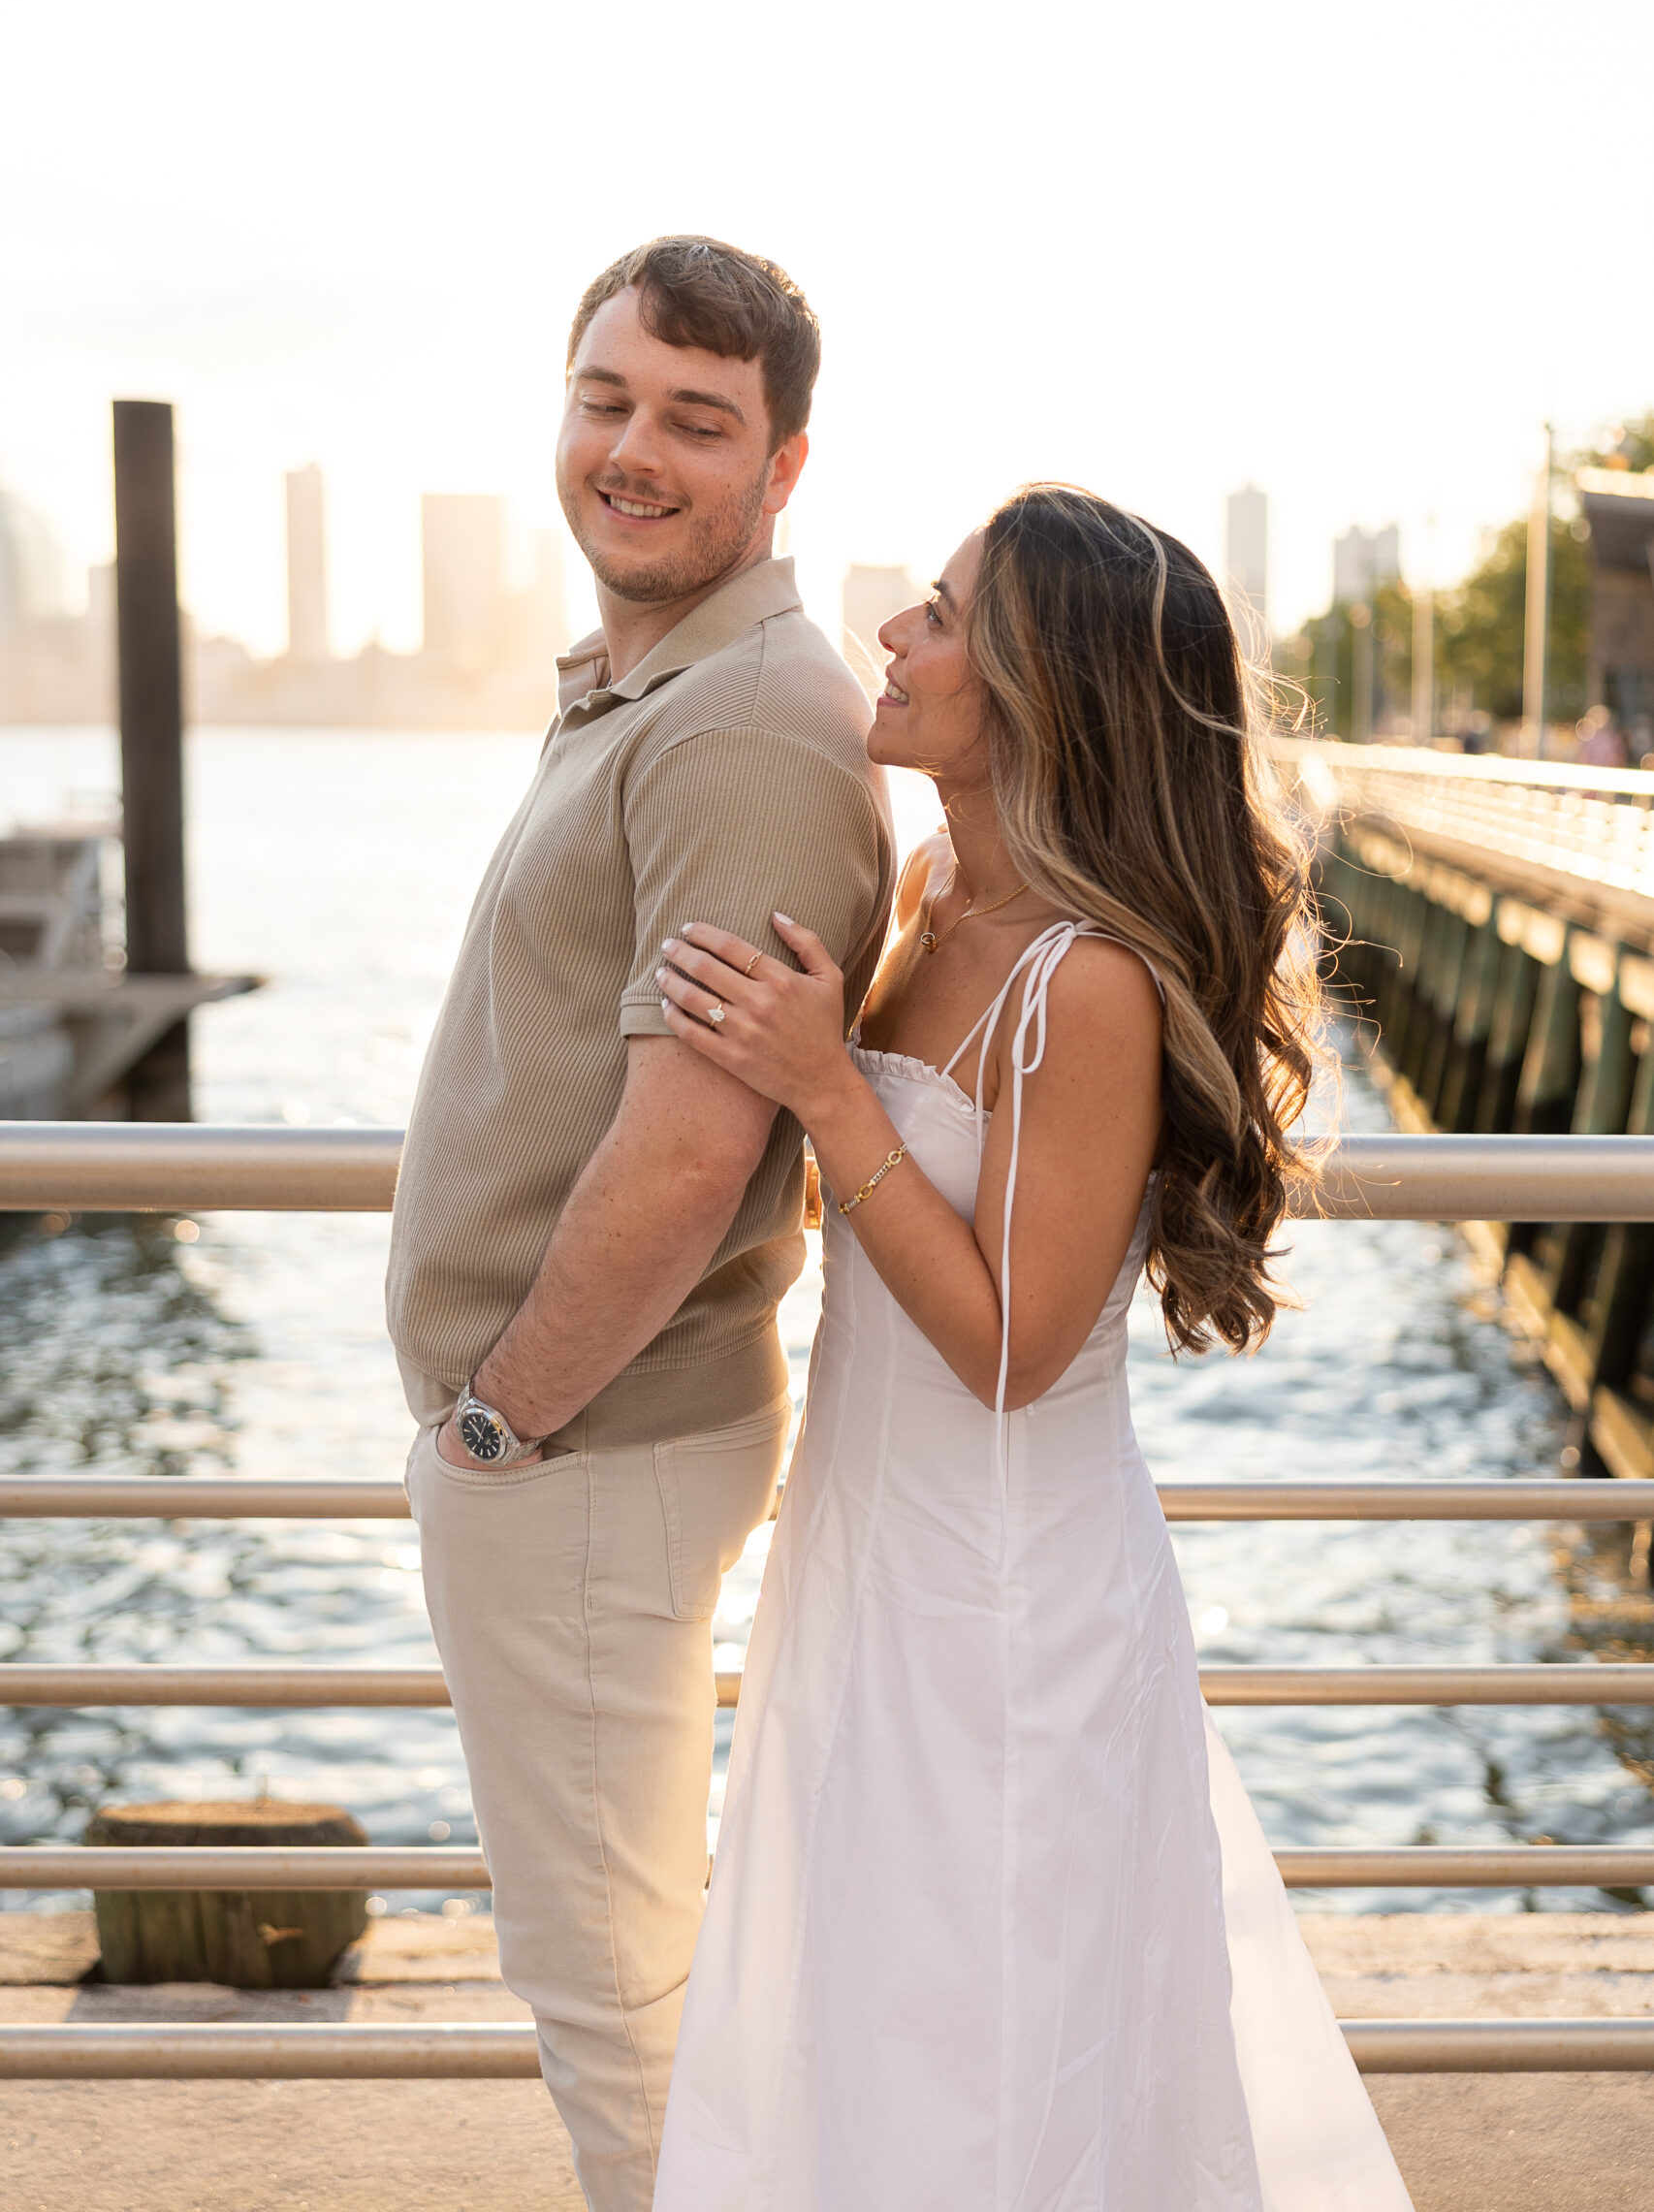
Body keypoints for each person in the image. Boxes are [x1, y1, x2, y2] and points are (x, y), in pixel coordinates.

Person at [651, 486, 1414, 2210]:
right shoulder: (930, 890)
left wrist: (823, 1085)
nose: (894, 633)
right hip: (863, 1549)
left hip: (1003, 1602)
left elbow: (1013, 1348)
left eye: (939, 614)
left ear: (1038, 690)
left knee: (988, 2052)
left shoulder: (1082, 982)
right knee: (862, 2022)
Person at [387, 236, 895, 2212]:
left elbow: (689, 1154)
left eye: (695, 420)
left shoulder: (744, 722)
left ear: (781, 466)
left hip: (584, 1447)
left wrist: (498, 1421)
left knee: (615, 2001)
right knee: (627, 1980)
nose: (633, 451)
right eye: (606, 401)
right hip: (578, 1444)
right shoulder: (663, 687)